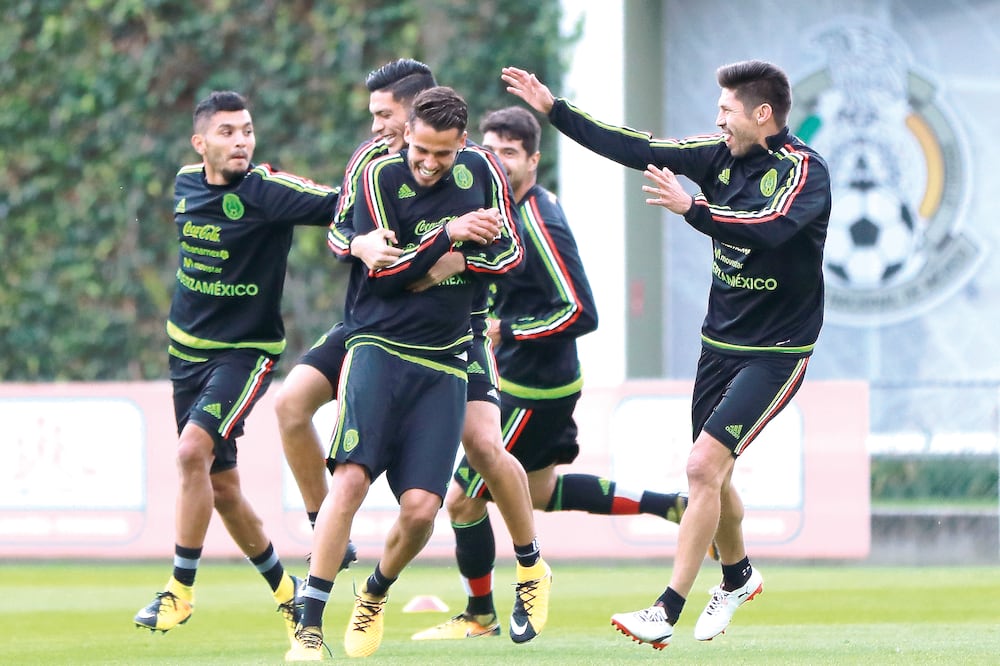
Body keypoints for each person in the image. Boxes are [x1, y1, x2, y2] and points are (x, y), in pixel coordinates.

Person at [502, 60, 831, 650]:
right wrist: (556, 111)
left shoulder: (806, 173)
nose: (718, 121)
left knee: (703, 466)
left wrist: (693, 211)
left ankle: (666, 608)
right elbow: (639, 147)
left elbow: (769, 228)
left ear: (762, 115)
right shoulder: (716, 154)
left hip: (777, 352)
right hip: (719, 346)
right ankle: (738, 575)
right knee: (715, 473)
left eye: (727, 111)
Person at [277, 58, 552, 648]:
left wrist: (445, 258)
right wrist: (370, 243)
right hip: (374, 334)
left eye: (384, 114)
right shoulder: (373, 165)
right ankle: (311, 610)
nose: (379, 127)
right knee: (311, 431)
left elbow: (507, 254)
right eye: (378, 120)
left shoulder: (479, 167)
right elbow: (354, 249)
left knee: (471, 459)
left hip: (459, 340)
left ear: (418, 110)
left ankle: (527, 569)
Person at [412, 106, 693, 642]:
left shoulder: (537, 219)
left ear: (533, 160)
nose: (497, 161)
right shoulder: (498, 207)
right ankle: (667, 505)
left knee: (464, 499)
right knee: (537, 491)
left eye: (510, 153)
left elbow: (580, 311)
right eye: (489, 150)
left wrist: (507, 332)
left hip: (532, 386)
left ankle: (479, 616)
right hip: (533, 379)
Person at [134, 90, 341, 650]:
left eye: (247, 130)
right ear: (200, 143)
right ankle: (286, 594)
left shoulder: (268, 191)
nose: (241, 140)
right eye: (227, 132)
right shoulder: (185, 183)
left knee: (189, 453)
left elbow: (342, 204)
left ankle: (179, 590)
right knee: (222, 488)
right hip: (185, 354)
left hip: (244, 354)